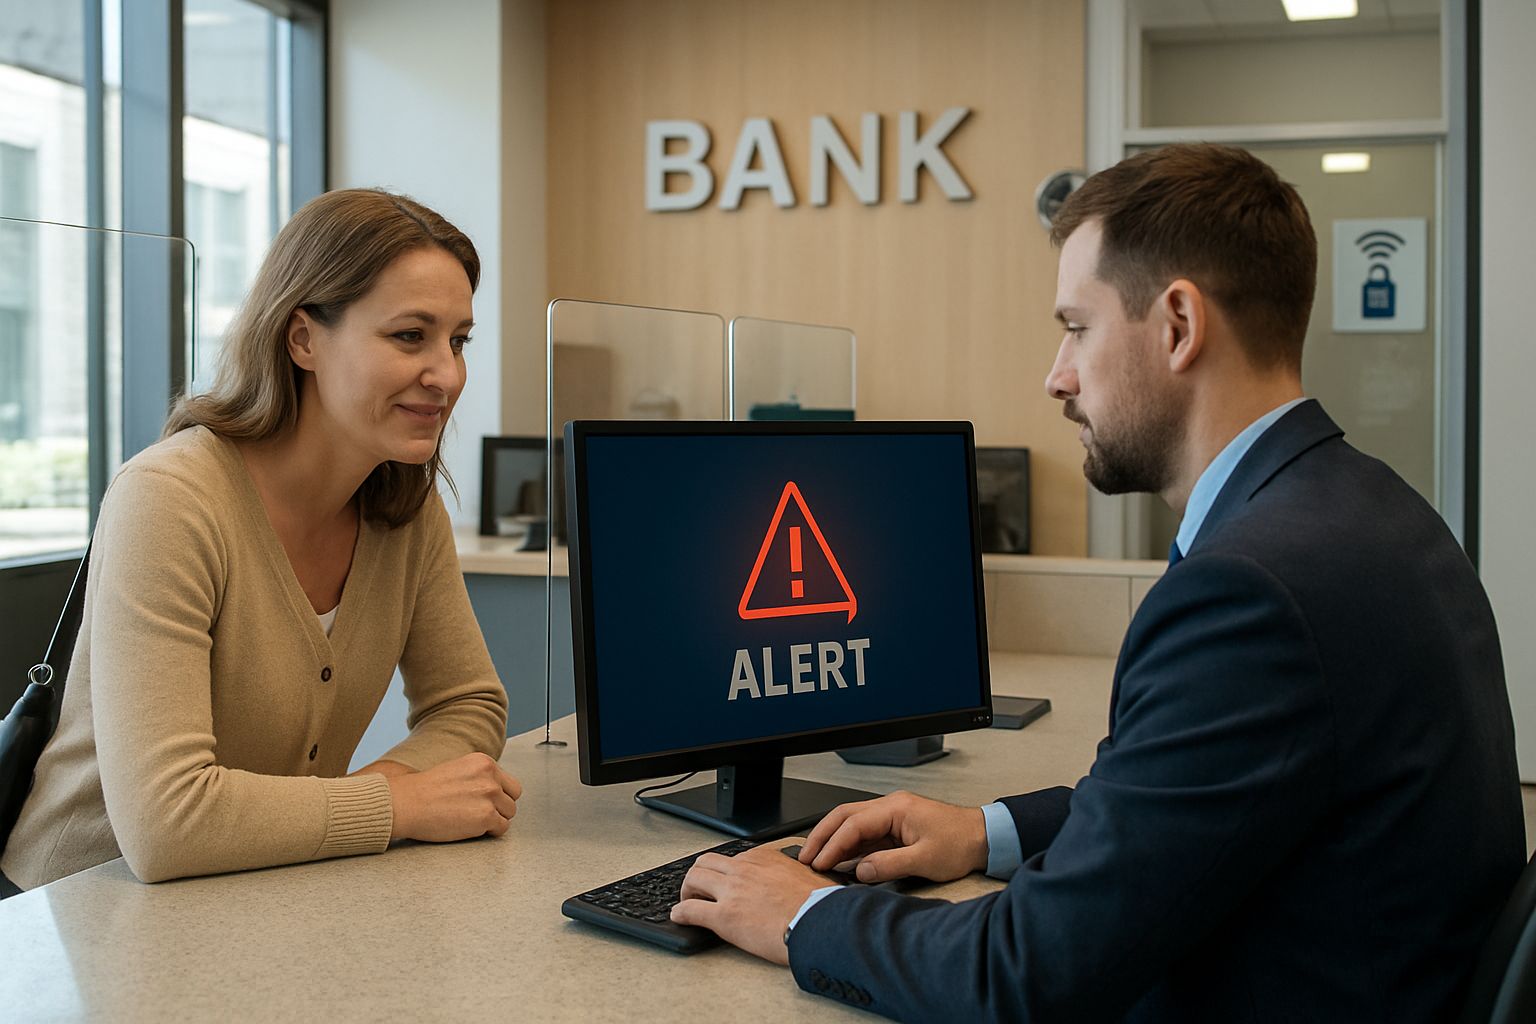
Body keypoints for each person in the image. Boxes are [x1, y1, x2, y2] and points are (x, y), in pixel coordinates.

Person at [670, 144, 1526, 1021]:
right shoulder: (1363, 509)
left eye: (1077, 327)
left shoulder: (1252, 590)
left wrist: (803, 914)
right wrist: (983, 831)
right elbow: (1184, 801)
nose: (1057, 375)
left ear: (1179, 326)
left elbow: (1023, 975)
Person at [0, 189, 520, 894]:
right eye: (410, 336)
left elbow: (470, 705)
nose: (448, 374)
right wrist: (397, 805)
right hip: (72, 921)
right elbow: (166, 824)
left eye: (457, 340)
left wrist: (376, 794)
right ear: (302, 338)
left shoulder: (403, 504)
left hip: (257, 893)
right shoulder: (171, 497)